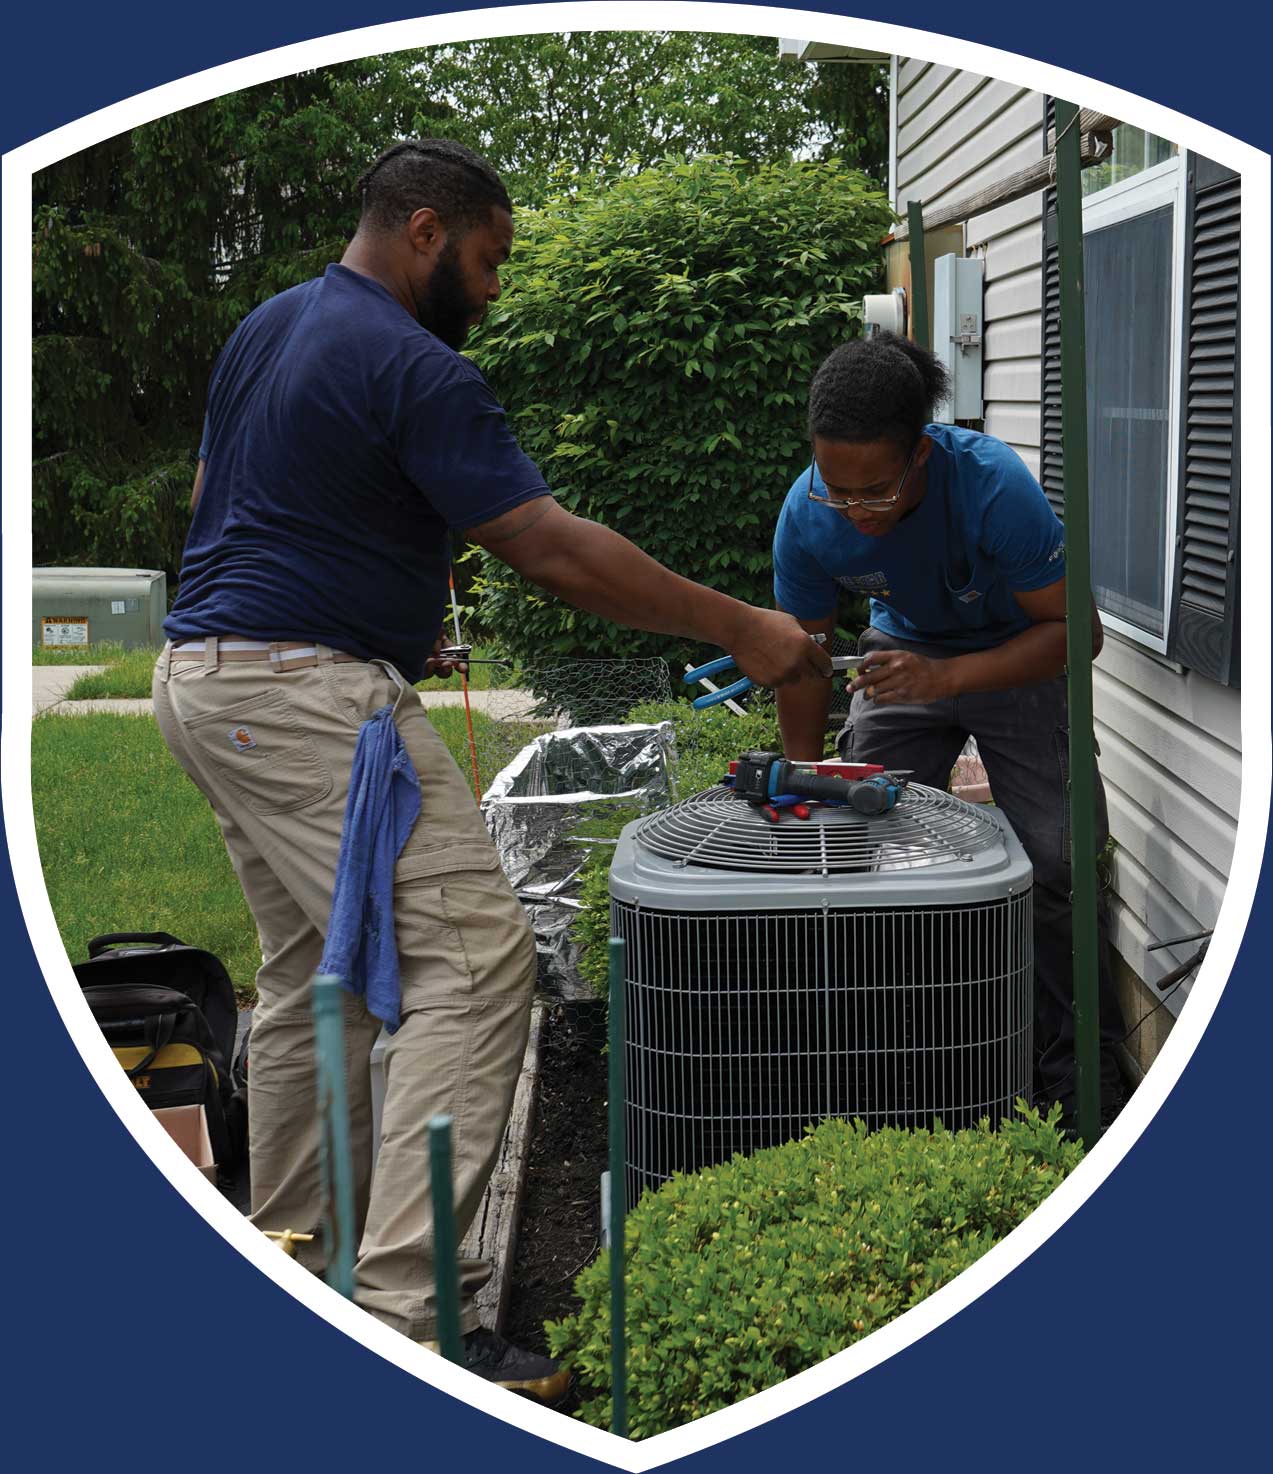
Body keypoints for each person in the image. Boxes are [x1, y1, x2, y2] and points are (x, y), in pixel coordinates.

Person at [154, 138, 829, 1401]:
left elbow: (213, 493)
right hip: (306, 693)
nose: (494, 288)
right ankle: (405, 1331)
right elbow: (554, 551)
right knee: (475, 963)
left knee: (321, 969)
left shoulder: (270, 326)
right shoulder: (408, 362)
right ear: (424, 231)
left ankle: (295, 1266)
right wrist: (745, 627)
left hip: (201, 675)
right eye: (489, 259)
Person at [771, 331, 1125, 1137]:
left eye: (876, 490)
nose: (855, 513)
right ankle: (902, 1063)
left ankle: (1079, 1079)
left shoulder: (992, 485)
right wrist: (800, 774)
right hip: (900, 661)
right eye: (836, 490)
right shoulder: (806, 515)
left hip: (1017, 659)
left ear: (921, 454)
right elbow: (801, 659)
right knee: (854, 855)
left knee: (1059, 863)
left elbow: (1080, 633)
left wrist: (952, 679)